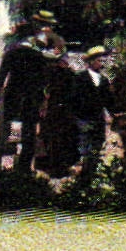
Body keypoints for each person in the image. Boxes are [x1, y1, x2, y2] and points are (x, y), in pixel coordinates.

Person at [0, 11, 56, 172]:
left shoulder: (10, 53)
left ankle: (1, 168)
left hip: (12, 99)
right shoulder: (38, 56)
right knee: (29, 136)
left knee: (5, 134)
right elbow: (44, 81)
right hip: (31, 100)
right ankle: (24, 168)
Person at [34, 35, 79, 178]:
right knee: (58, 138)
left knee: (51, 137)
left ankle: (50, 166)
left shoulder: (44, 72)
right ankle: (57, 167)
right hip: (59, 110)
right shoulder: (65, 73)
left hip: (53, 110)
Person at [71, 46, 116, 181]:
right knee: (84, 148)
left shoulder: (103, 80)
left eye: (103, 61)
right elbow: (73, 99)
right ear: (90, 62)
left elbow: (108, 101)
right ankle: (81, 177)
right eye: (98, 60)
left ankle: (90, 174)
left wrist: (115, 114)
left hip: (98, 119)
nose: (101, 64)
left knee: (97, 147)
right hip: (83, 119)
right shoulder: (79, 78)